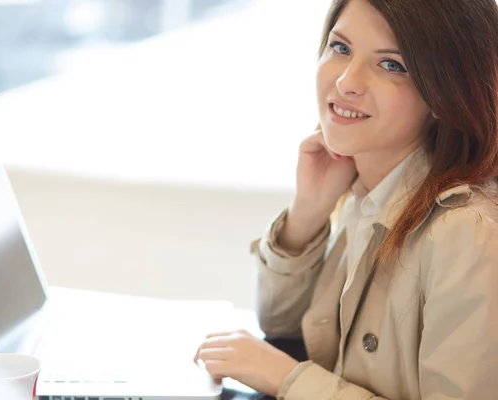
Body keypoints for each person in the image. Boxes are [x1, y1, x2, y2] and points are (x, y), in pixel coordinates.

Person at [193, 0, 498, 398]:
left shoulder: (469, 230)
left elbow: (281, 355)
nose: (347, 82)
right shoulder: (370, 189)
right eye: (341, 48)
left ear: (446, 94)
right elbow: (281, 324)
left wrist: (287, 379)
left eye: (392, 65)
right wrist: (308, 213)